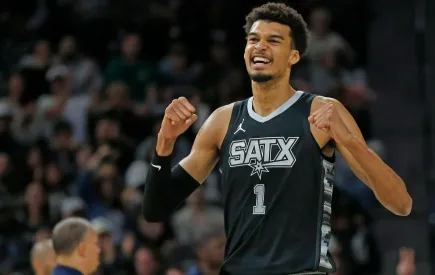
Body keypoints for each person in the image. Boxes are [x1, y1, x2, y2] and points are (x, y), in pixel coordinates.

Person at [143, 2, 412, 274]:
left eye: (273, 40)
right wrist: (165, 142)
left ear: (293, 56)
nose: (260, 47)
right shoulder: (222, 121)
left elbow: (401, 203)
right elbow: (155, 209)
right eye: (253, 40)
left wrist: (353, 143)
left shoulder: (320, 111)